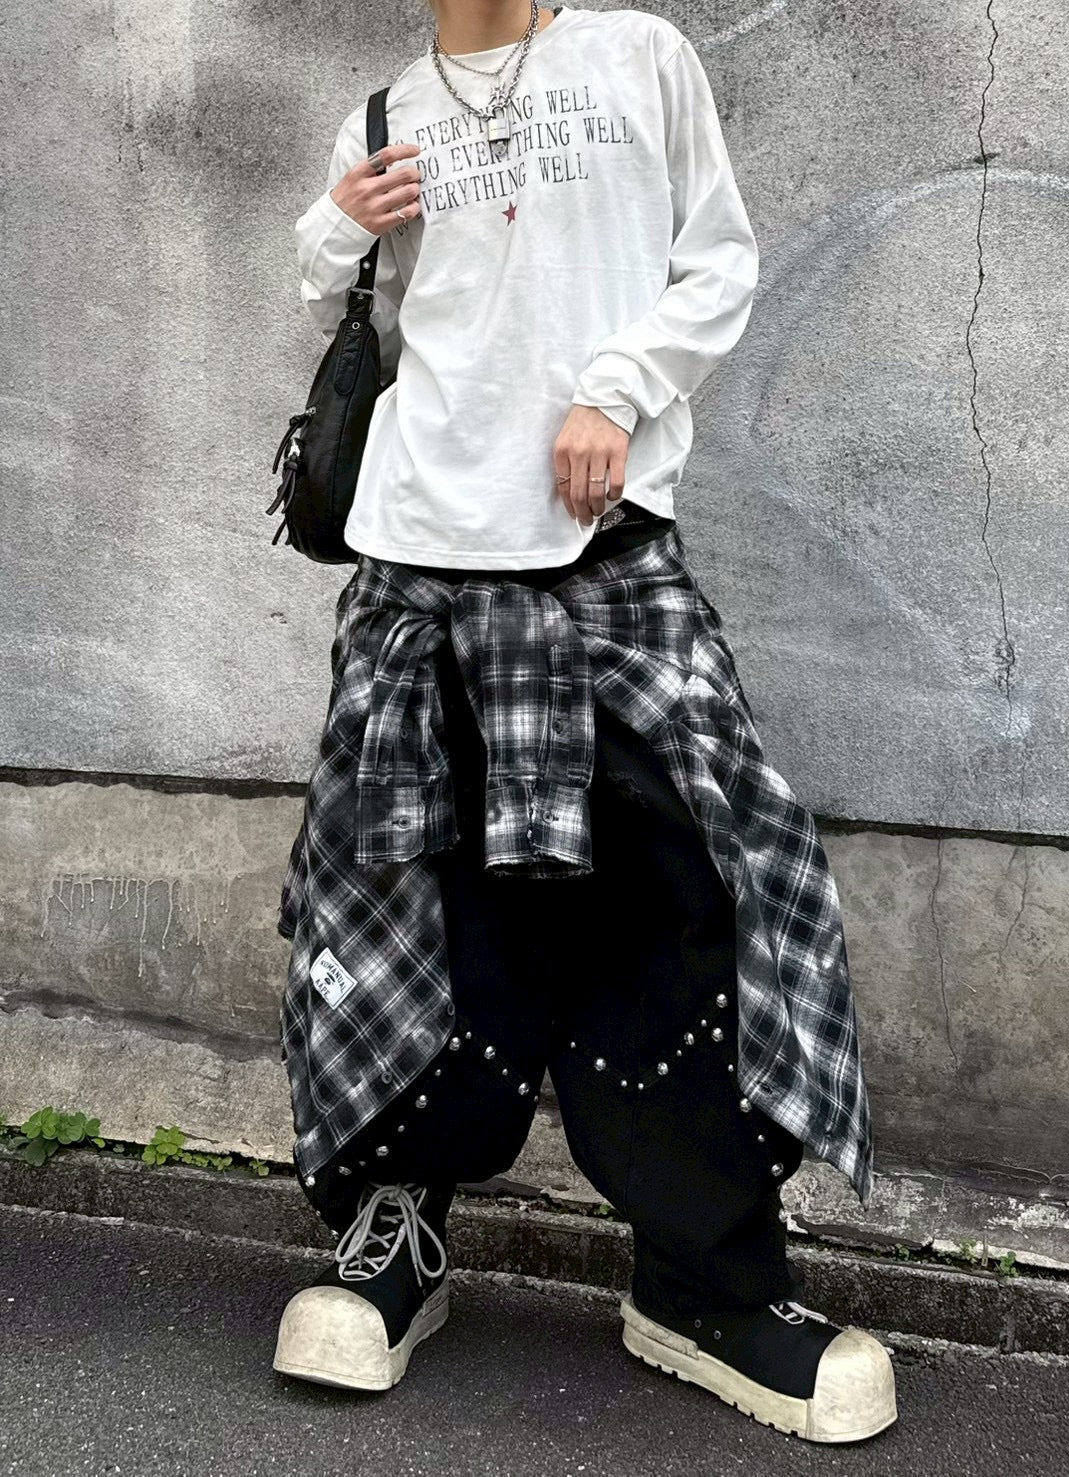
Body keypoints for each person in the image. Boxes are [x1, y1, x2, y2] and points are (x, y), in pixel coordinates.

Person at [272, 0, 897, 1445]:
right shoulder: (388, 110)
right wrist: (335, 220)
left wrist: (615, 391)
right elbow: (349, 313)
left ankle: (703, 1270)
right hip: (419, 563)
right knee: (403, 898)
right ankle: (395, 1227)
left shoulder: (639, 59)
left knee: (701, 880)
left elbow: (717, 258)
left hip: (605, 558)